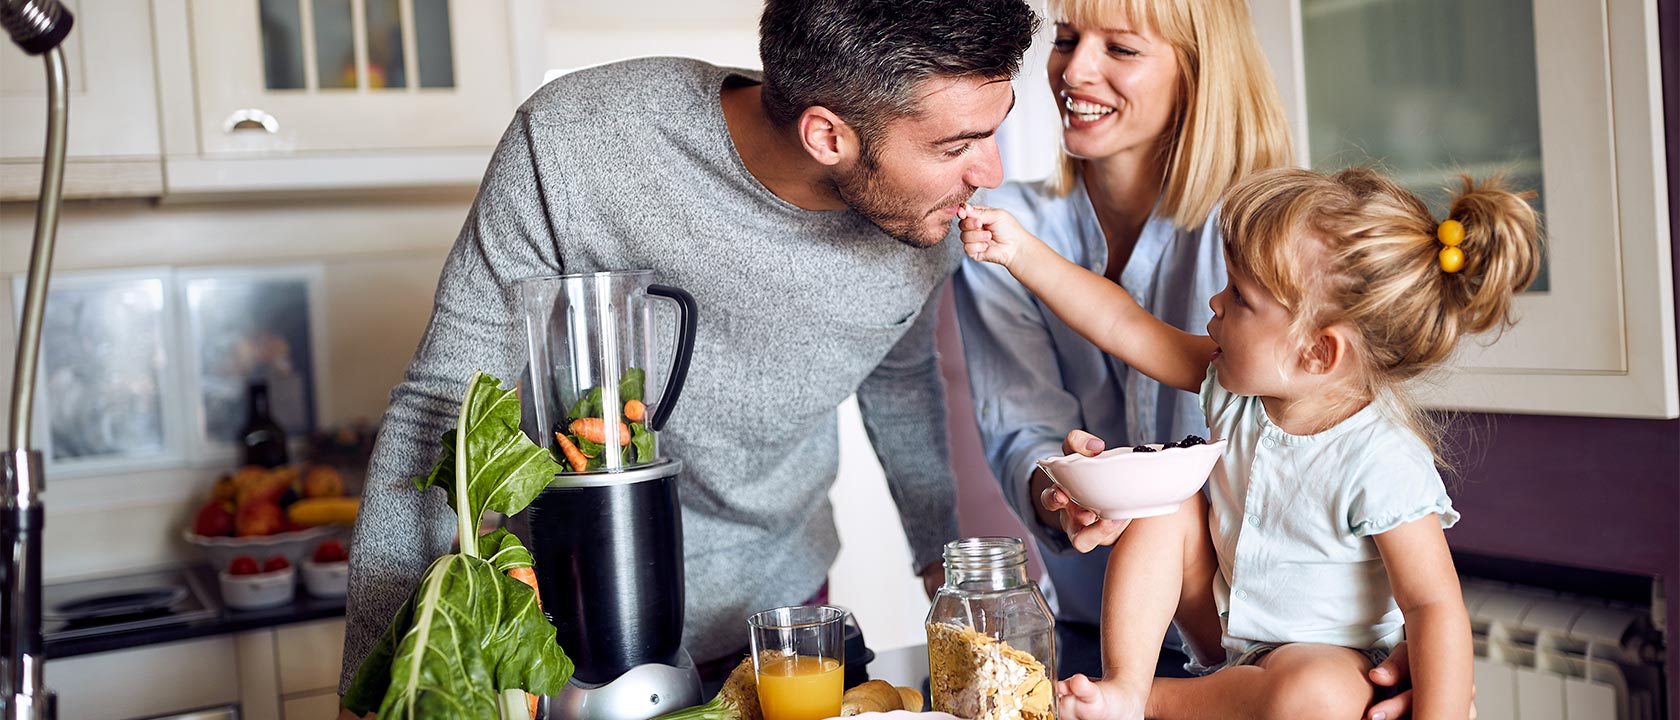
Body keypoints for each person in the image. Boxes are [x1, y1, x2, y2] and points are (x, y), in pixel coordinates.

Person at [335, 0, 1040, 702]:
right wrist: (375, 684)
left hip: (783, 623)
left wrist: (938, 554)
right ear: (827, 134)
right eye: (956, 147)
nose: (991, 171)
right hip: (566, 633)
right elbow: (440, 406)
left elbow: (896, 368)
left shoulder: (929, 216)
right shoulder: (576, 143)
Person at [960, 165, 1541, 719]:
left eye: (1239, 295)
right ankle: (1126, 686)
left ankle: (1151, 702)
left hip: (1329, 663)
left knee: (1320, 697)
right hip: (1226, 629)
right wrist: (1020, 253)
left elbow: (1433, 607)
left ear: (1317, 352)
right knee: (1169, 494)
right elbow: (1122, 325)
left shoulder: (1382, 459)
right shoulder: (1234, 389)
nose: (1215, 302)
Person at [949, 0, 1291, 684]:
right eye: (1068, 39)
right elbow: (1023, 428)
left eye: (1122, 50)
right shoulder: (1004, 230)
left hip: (1260, 652)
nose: (1075, 70)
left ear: (1198, 73)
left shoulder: (1271, 236)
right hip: (1093, 641)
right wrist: (1058, 488)